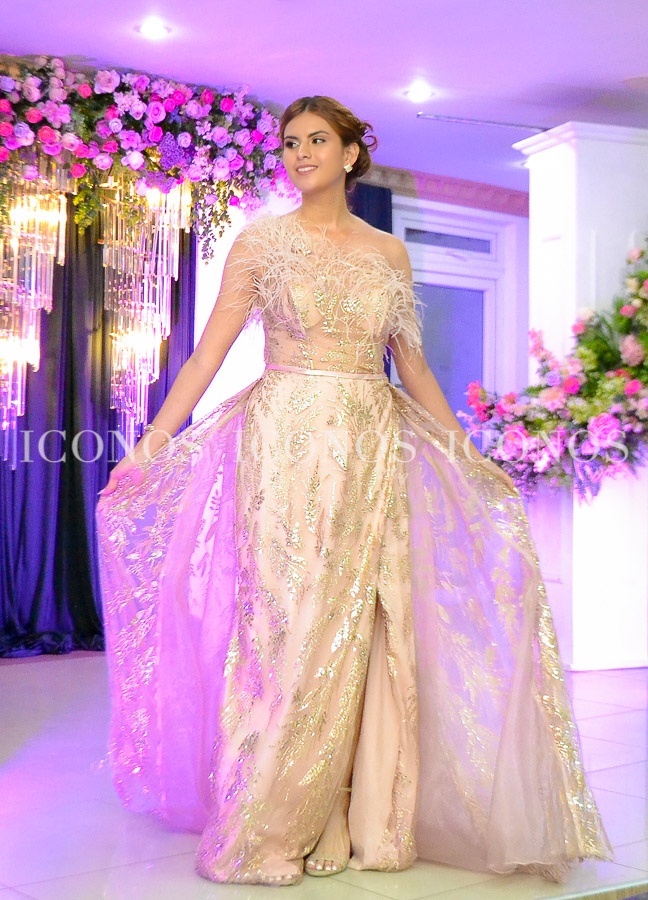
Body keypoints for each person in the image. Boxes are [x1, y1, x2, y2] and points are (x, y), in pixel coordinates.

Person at [97, 96, 611, 887]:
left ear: (349, 154)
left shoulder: (388, 254)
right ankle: (273, 817)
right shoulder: (262, 243)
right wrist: (149, 447)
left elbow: (415, 368)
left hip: (372, 445)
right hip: (285, 444)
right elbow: (206, 357)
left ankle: (342, 808)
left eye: (316, 140)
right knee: (285, 624)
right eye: (290, 143)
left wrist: (466, 456)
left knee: (365, 623)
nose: (300, 153)